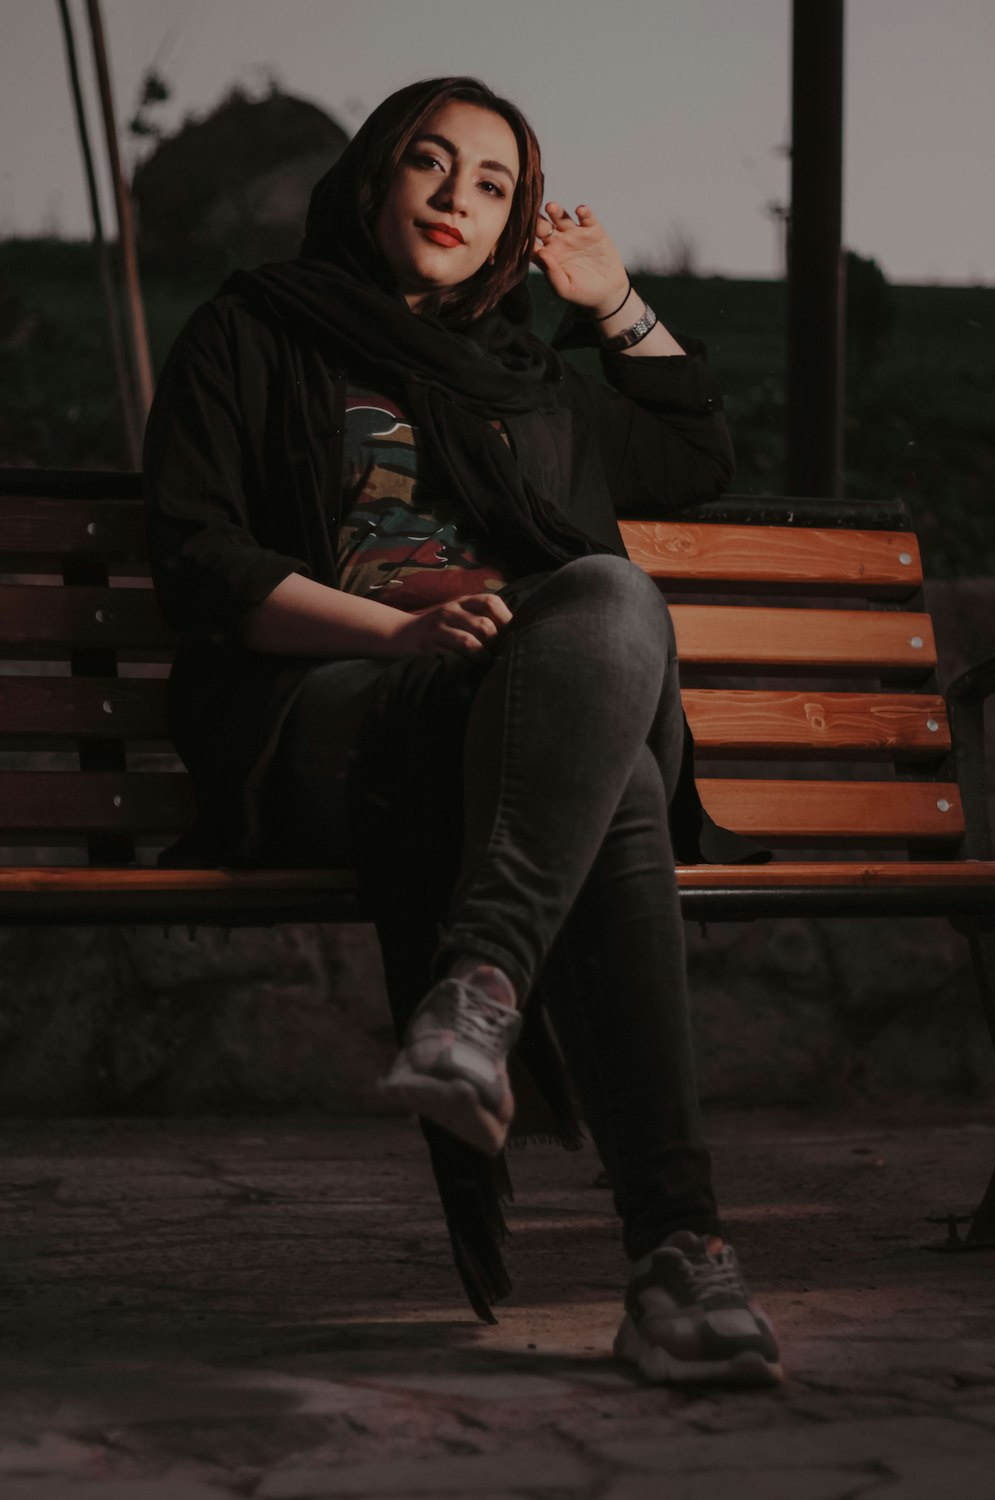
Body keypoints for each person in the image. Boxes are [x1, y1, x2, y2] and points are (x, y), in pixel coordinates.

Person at [145, 75, 781, 1387]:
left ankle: (475, 990)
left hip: (536, 706)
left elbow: (693, 448)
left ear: (514, 230)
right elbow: (199, 554)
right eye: (430, 164)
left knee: (601, 601)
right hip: (342, 704)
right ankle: (680, 1256)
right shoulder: (259, 332)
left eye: (494, 184)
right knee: (615, 795)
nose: (456, 197)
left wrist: (610, 297)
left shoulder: (531, 383)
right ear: (375, 178)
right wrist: (392, 635)